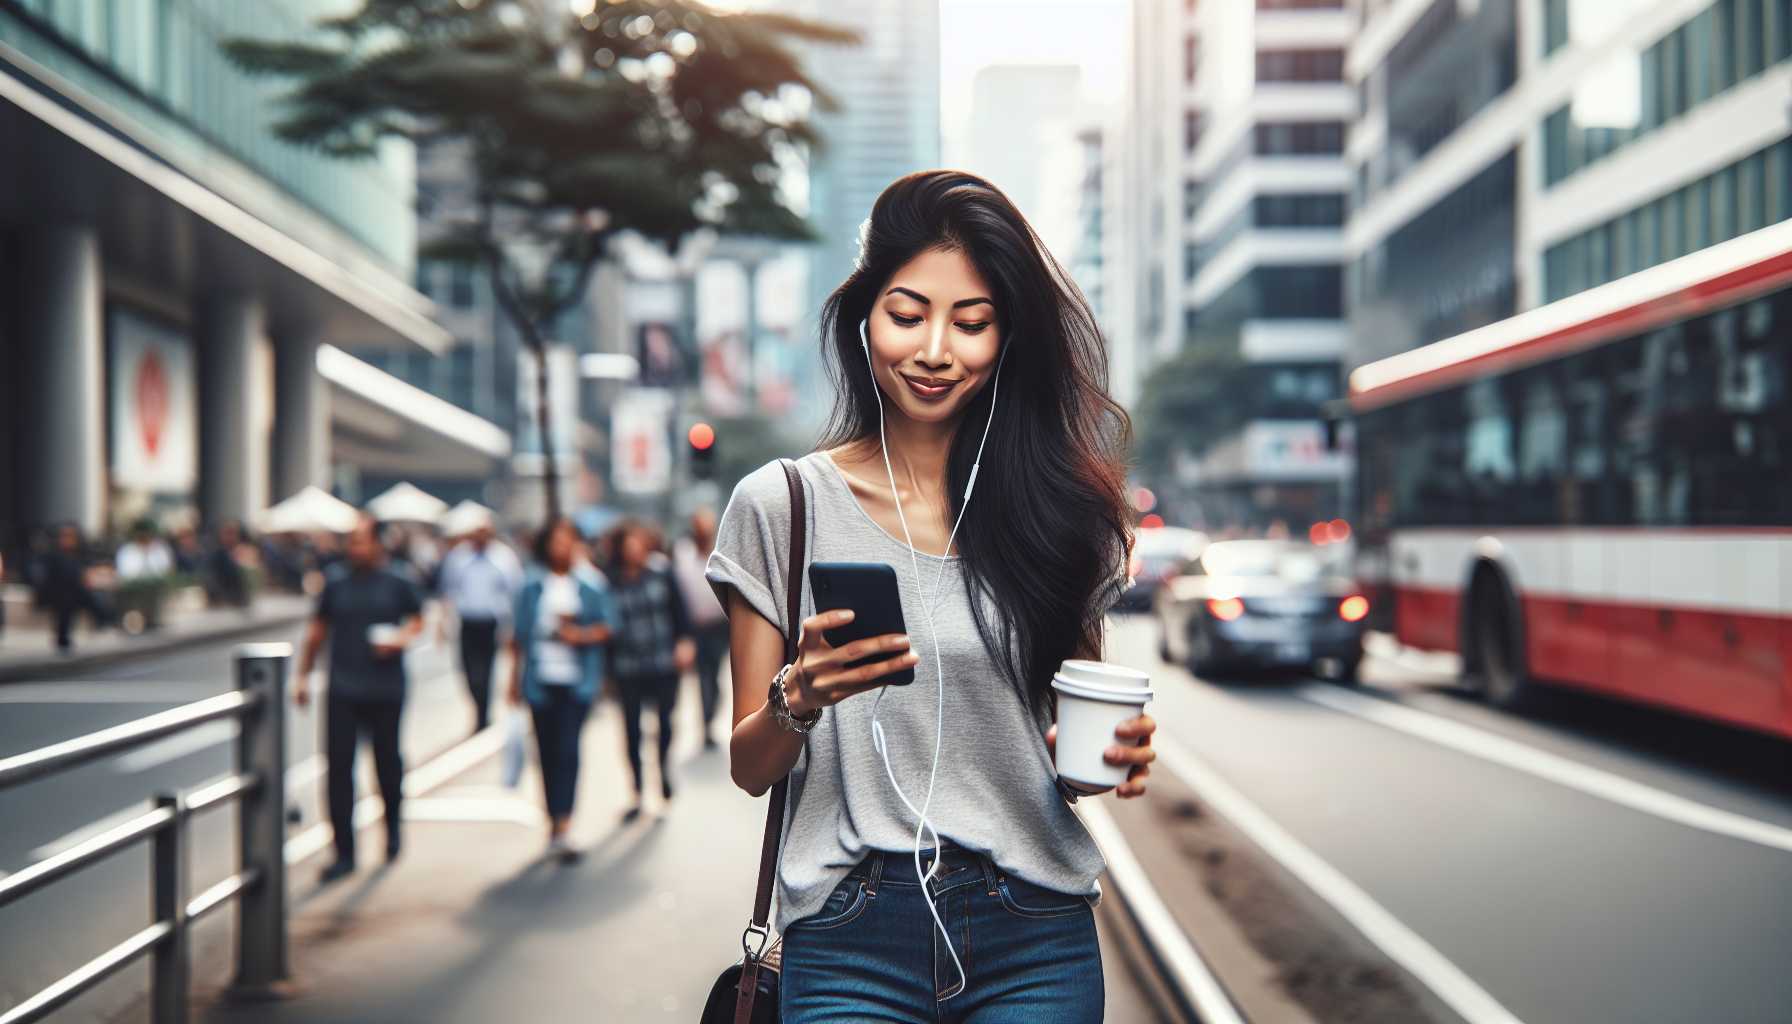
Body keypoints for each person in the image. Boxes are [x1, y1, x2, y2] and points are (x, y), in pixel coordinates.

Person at [706, 171, 1156, 1021]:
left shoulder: (1062, 514)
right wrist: (799, 697)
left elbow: (1072, 759)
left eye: (972, 323)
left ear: (1007, 337)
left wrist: (1110, 757)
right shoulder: (782, 505)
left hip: (1036, 930)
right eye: (908, 315)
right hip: (848, 932)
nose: (937, 349)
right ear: (864, 315)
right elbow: (748, 767)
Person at [294, 516, 424, 883]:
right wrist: (302, 676)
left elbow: (417, 621)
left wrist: (399, 639)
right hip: (343, 688)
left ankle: (393, 832)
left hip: (386, 688)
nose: (355, 549)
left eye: (362, 542)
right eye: (351, 542)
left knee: (387, 764)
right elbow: (317, 631)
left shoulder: (398, 581)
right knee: (338, 771)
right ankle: (344, 852)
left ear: (379, 545)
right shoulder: (335, 582)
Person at [507, 517, 616, 860]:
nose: (562, 547)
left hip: (576, 682)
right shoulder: (532, 586)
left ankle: (565, 825)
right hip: (541, 681)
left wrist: (578, 636)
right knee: (546, 752)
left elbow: (608, 626)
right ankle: (552, 819)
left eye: (568, 540)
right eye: (556, 540)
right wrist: (513, 681)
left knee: (568, 752)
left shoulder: (590, 585)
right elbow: (519, 638)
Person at [608, 520, 695, 821]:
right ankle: (637, 789)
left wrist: (685, 642)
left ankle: (663, 771)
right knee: (631, 728)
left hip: (662, 661)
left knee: (665, 723)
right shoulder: (611, 580)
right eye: (627, 544)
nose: (633, 549)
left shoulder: (661, 571)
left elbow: (679, 610)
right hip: (627, 665)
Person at [438, 517, 524, 733]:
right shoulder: (459, 557)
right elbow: (448, 590)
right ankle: (478, 705)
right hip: (467, 621)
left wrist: (512, 626)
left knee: (485, 671)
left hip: (491, 622)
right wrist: (443, 621)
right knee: (467, 669)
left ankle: (483, 714)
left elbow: (515, 592)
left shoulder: (504, 557)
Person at [671, 509, 729, 748]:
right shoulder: (682, 555)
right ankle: (705, 723)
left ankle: (711, 711)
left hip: (720, 625)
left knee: (714, 675)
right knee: (703, 675)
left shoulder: (723, 551)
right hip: (695, 626)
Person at [40, 524, 101, 654]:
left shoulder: (78, 556)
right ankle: (62, 639)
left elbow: (83, 574)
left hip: (73, 594)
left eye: (70, 537)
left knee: (71, 613)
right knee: (63, 615)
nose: (67, 540)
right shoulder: (54, 555)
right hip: (58, 594)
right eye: (64, 536)